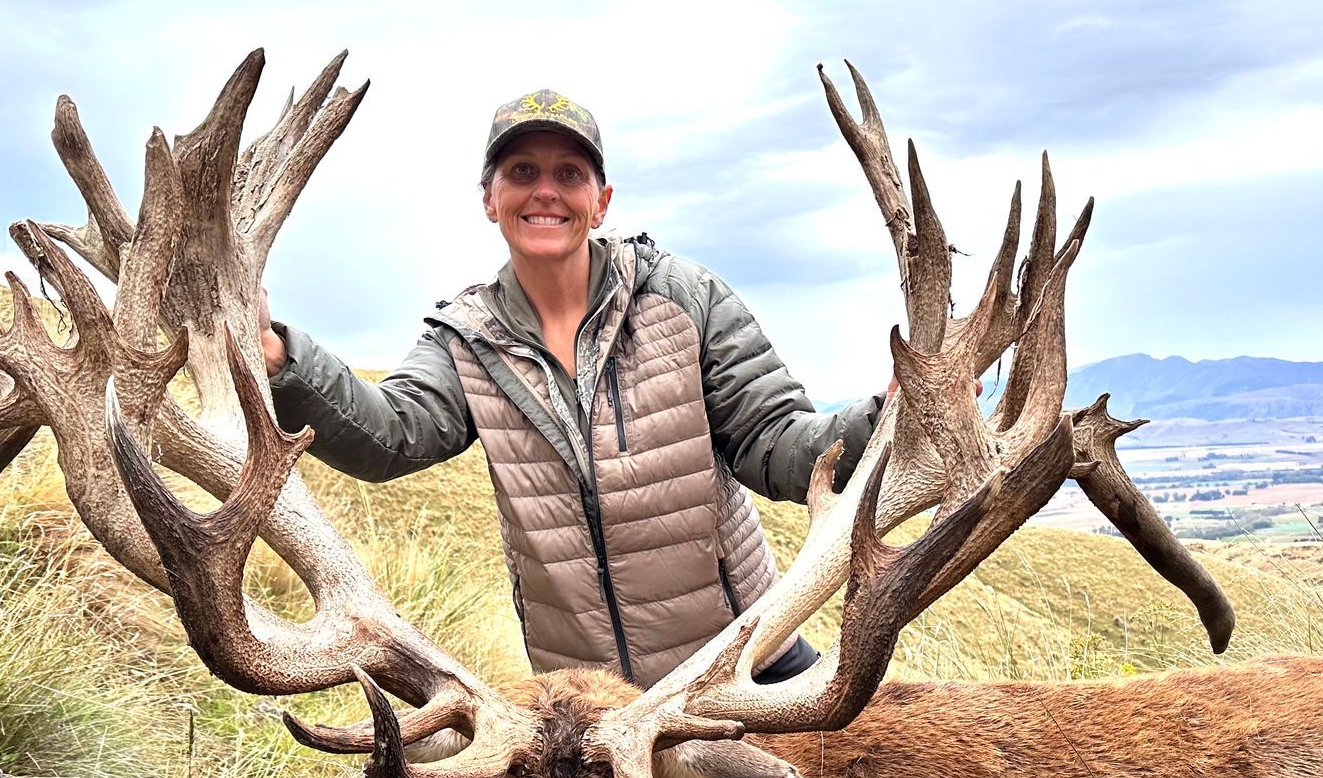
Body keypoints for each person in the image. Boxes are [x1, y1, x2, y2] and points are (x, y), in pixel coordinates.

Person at [259, 89, 883, 691]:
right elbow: (390, 435)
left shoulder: (684, 299)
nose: (546, 192)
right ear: (490, 199)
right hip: (591, 709)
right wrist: (283, 359)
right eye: (522, 171)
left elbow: (775, 443)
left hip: (745, 668)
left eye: (570, 173)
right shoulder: (467, 340)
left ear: (602, 200)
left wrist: (887, 419)